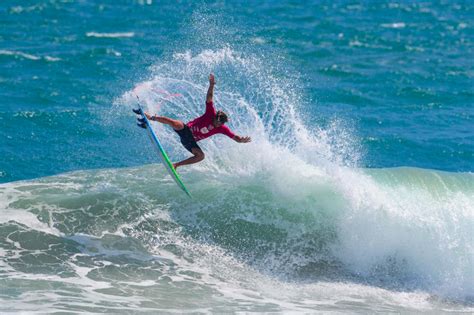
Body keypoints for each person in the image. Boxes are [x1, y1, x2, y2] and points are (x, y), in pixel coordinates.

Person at [134, 74, 251, 169]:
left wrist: (241, 140)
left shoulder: (222, 128)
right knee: (177, 123)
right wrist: (211, 85)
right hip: (185, 131)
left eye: (219, 124)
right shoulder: (210, 112)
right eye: (217, 121)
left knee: (201, 156)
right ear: (215, 117)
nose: (217, 124)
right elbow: (209, 97)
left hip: (190, 142)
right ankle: (150, 117)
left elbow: (234, 137)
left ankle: (176, 165)